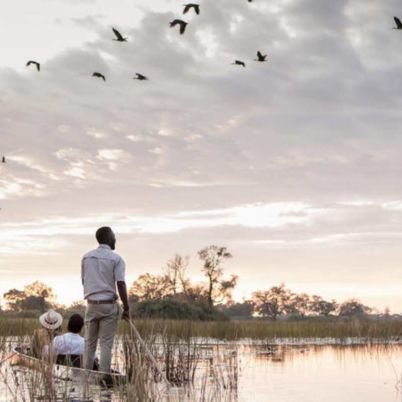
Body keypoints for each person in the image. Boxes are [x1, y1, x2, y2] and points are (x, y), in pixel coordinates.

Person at [81, 226, 130, 373]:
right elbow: (120, 283)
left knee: (89, 344)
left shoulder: (86, 257)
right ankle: (103, 377)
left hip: (91, 305)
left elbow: (84, 281)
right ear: (109, 238)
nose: (115, 239)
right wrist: (127, 308)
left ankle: (86, 379)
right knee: (106, 344)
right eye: (114, 236)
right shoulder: (117, 259)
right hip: (108, 306)